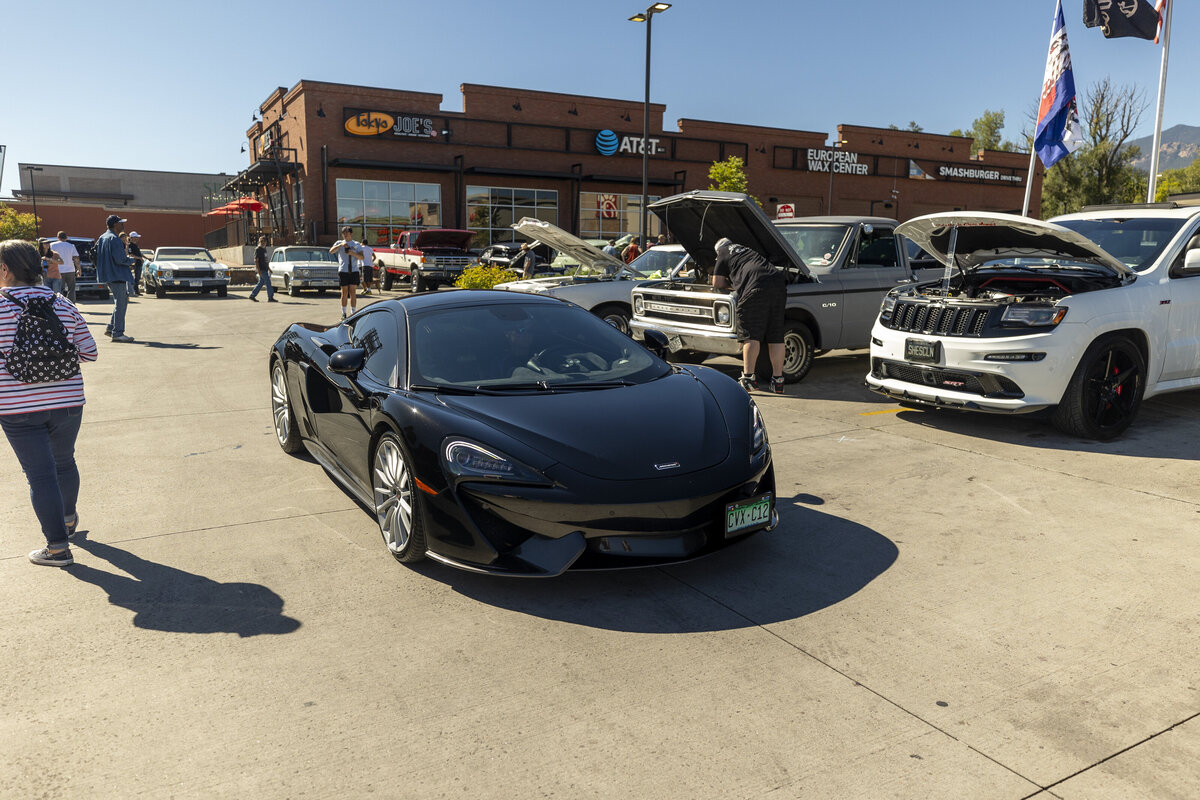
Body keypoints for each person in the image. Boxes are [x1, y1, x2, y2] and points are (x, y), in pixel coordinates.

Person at [0, 239, 98, 566]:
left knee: (40, 476)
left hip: (17, 408)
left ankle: (57, 548)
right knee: (64, 462)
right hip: (68, 401)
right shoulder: (63, 303)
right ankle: (68, 520)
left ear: (5, 269)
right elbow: (89, 352)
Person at [713, 237, 787, 394]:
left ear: (718, 251)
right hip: (778, 284)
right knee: (776, 335)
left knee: (751, 335)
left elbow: (717, 283)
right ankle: (778, 381)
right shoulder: (748, 249)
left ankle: (748, 379)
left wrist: (732, 283)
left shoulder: (723, 253)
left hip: (756, 289)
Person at [95, 214, 136, 342]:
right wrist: (131, 260)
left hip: (106, 275)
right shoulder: (115, 239)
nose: (123, 225)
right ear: (115, 225)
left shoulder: (102, 237)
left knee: (120, 301)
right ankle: (117, 333)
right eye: (121, 223)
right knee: (121, 304)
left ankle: (111, 328)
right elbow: (120, 259)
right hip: (117, 274)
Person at [329, 225, 363, 320]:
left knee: (353, 292)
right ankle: (343, 313)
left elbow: (362, 257)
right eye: (343, 233)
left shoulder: (356, 244)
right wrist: (340, 245)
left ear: (351, 234)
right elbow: (331, 251)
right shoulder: (339, 243)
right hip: (343, 270)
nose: (345, 235)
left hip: (354, 270)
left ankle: (353, 312)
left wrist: (353, 253)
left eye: (346, 233)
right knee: (344, 292)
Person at [49, 232, 81, 303]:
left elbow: (49, 258)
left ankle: (60, 303)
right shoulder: (71, 246)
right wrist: (79, 269)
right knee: (71, 288)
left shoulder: (52, 245)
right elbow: (76, 259)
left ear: (58, 237)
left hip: (58, 271)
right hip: (70, 270)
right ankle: (71, 303)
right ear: (66, 237)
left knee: (59, 289)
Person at [248, 236, 277, 302]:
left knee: (261, 283)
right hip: (261, 269)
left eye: (264, 241)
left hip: (265, 269)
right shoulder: (258, 249)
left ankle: (252, 296)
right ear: (259, 242)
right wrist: (258, 270)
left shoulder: (264, 249)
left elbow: (266, 260)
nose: (263, 243)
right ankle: (270, 297)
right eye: (261, 241)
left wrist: (269, 268)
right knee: (268, 282)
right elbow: (256, 260)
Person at [127, 231, 146, 296]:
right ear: (132, 238)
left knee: (138, 277)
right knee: (134, 278)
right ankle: (134, 290)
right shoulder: (130, 245)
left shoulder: (135, 245)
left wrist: (146, 258)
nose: (137, 238)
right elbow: (131, 255)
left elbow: (139, 253)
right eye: (136, 237)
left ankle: (136, 290)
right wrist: (139, 258)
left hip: (138, 263)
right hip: (134, 264)